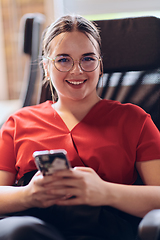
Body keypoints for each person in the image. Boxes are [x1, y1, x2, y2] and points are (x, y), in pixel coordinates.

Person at [0, 14, 160, 240]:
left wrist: (106, 192)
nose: (77, 70)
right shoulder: (18, 123)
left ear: (100, 65)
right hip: (36, 226)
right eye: (64, 59)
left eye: (88, 58)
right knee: (17, 232)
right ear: (46, 67)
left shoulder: (135, 120)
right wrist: (28, 195)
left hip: (107, 228)